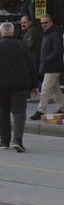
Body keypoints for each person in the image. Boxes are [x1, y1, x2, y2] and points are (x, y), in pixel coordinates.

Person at [0, 22, 38, 152]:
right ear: (13, 32)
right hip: (20, 85)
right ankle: (17, 140)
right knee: (19, 112)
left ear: (1, 33)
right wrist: (34, 85)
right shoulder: (22, 45)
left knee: (3, 113)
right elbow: (31, 66)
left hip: (2, 86)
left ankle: (4, 141)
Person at [31, 14, 64, 120]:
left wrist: (46, 60)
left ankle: (40, 110)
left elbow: (57, 51)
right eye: (42, 23)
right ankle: (63, 108)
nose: (43, 25)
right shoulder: (47, 34)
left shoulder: (55, 34)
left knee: (45, 89)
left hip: (53, 66)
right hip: (49, 66)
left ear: (51, 22)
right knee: (55, 89)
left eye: (46, 22)